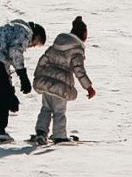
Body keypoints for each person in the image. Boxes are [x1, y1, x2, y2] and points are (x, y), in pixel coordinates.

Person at [0, 19, 47, 143]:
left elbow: (5, 69)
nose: (31, 45)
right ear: (36, 34)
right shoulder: (25, 31)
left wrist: (11, 92)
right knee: (3, 95)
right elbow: (15, 51)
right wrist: (23, 76)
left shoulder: (11, 30)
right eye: (35, 43)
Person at [29, 16, 96, 145]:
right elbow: (79, 69)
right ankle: (59, 135)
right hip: (61, 85)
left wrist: (38, 76)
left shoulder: (57, 45)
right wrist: (88, 87)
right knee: (59, 111)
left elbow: (43, 59)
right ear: (83, 34)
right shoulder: (77, 49)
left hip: (46, 82)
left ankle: (41, 133)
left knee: (46, 108)